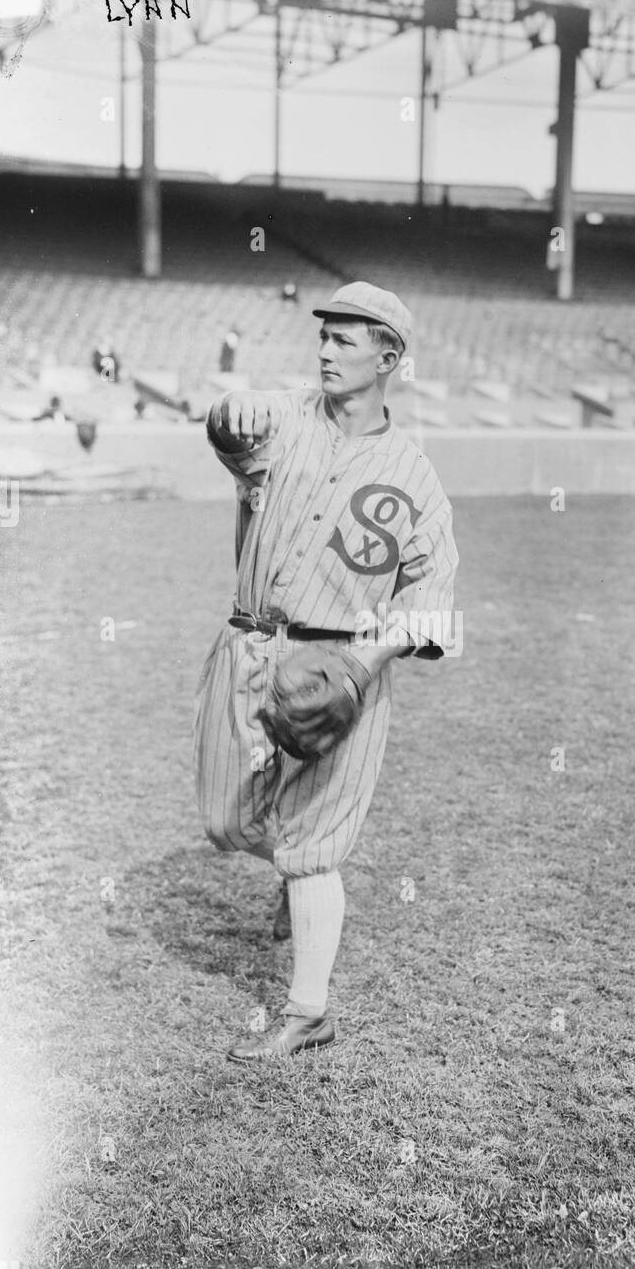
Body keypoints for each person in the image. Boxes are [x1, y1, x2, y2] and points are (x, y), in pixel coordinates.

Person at [194, 282, 458, 1062]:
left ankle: (309, 1010)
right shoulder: (281, 418)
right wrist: (226, 414)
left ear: (389, 357)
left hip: (342, 666)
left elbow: (432, 600)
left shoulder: (415, 477)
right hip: (250, 647)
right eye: (324, 337)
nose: (326, 349)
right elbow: (233, 437)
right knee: (224, 821)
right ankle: (293, 870)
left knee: (314, 850)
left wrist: (359, 663)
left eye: (346, 339)